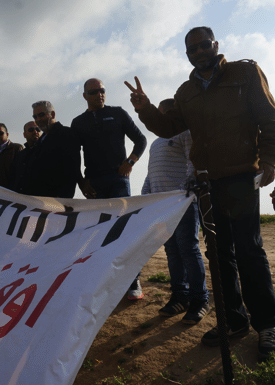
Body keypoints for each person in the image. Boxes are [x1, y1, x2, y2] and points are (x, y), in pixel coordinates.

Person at [125, 26, 275, 359]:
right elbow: (170, 128)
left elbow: (270, 119)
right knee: (219, 255)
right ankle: (233, 320)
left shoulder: (245, 73)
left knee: (249, 251)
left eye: (203, 46)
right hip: (207, 185)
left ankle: (268, 325)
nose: (199, 52)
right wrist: (145, 108)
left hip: (242, 178)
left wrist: (270, 160)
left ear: (215, 45)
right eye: (192, 49)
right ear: (187, 55)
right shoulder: (185, 92)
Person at [72, 78, 148, 300]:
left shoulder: (118, 113)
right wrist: (81, 182)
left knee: (123, 231)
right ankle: (103, 282)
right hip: (94, 184)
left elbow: (141, 140)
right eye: (94, 92)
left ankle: (133, 282)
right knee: (98, 234)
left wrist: (131, 162)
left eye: (102, 91)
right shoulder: (79, 123)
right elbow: (73, 156)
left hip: (118, 181)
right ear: (85, 96)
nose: (99, 95)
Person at [142, 99, 209, 324]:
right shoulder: (155, 143)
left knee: (188, 250)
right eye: (164, 113)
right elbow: (151, 172)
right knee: (171, 250)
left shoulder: (185, 132)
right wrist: (145, 196)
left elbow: (193, 160)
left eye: (172, 111)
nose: (168, 115)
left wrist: (188, 189)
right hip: (161, 206)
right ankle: (180, 297)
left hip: (182, 202)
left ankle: (200, 299)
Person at [14, 101, 80, 198]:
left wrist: (63, 201)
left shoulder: (66, 134)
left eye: (41, 115)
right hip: (36, 201)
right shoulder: (41, 140)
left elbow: (72, 170)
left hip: (54, 202)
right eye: (35, 117)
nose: (38, 119)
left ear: (52, 114)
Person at [9, 121, 42, 193]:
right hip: (19, 200)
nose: (35, 131)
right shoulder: (20, 155)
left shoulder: (47, 151)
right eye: (31, 130)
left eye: (38, 129)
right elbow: (13, 178)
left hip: (41, 201)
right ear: (24, 135)